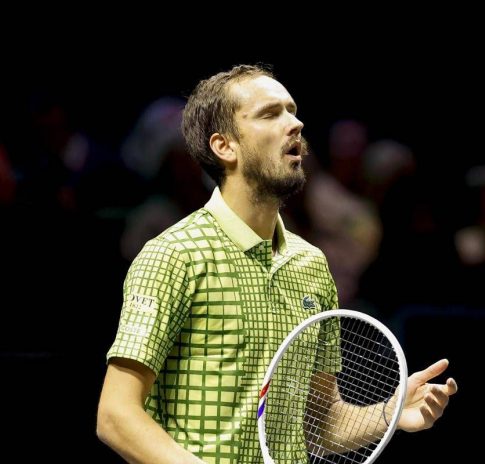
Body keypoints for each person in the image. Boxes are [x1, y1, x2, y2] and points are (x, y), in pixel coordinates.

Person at [96, 64, 458, 464]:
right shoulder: (175, 255)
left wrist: (390, 413)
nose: (295, 124)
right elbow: (116, 416)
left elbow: (319, 424)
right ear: (224, 146)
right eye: (270, 114)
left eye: (293, 111)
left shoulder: (311, 265)